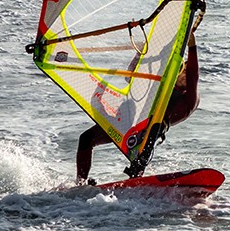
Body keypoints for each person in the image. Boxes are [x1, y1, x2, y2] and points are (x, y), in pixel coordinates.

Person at [76, 25, 200, 184]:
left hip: (152, 130)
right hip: (132, 120)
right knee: (86, 138)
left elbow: (193, 75)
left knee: (139, 159)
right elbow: (132, 77)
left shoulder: (190, 98)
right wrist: (141, 52)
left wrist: (191, 45)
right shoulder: (162, 86)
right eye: (181, 70)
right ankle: (80, 182)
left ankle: (136, 183)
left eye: (186, 73)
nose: (183, 76)